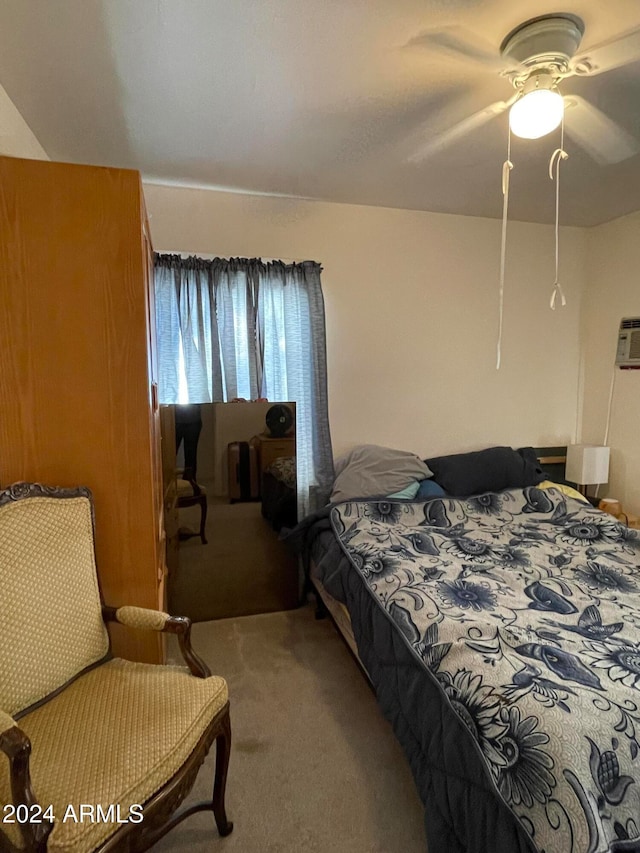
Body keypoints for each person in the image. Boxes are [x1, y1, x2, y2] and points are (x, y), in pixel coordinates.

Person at [175, 404, 202, 482]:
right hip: (176, 417)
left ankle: (190, 482)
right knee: (169, 456)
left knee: (191, 456)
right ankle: (190, 482)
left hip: (192, 418)